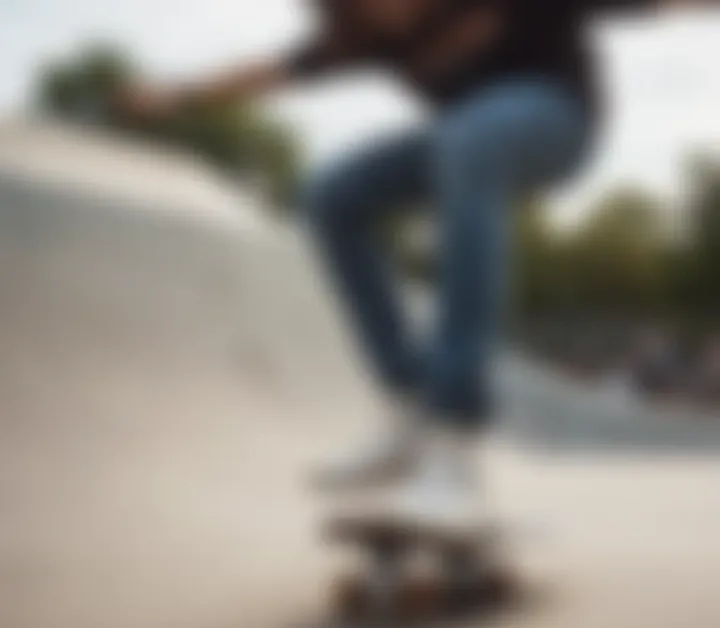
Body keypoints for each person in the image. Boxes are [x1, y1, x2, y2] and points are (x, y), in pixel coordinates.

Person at [120, 0, 712, 533]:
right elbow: (270, 73)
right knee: (333, 196)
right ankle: (409, 408)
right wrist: (179, 94)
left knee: (467, 140)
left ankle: (455, 438)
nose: (393, 17)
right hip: (466, 140)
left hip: (560, 122)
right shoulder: (363, 34)